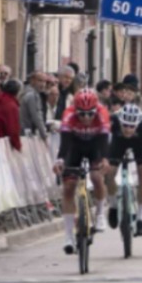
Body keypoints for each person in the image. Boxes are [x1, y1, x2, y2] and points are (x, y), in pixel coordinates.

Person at [54, 88, 110, 255]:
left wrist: (105, 159)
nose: (86, 117)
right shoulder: (68, 114)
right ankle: (68, 236)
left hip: (95, 145)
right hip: (75, 146)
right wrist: (60, 160)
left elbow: (104, 141)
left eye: (90, 114)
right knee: (69, 186)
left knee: (96, 176)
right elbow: (64, 143)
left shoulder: (102, 113)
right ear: (75, 110)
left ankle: (100, 214)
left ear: (96, 109)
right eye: (82, 114)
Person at [106, 103, 142, 237]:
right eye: (125, 125)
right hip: (118, 143)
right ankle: (113, 206)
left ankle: (141, 218)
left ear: (137, 123)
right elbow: (100, 139)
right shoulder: (112, 120)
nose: (128, 129)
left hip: (140, 143)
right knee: (109, 173)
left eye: (131, 126)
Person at [0, 79, 24, 152]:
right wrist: (18, 145)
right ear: (18, 92)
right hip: (0, 141)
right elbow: (13, 128)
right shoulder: (11, 105)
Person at [19, 72, 49, 141]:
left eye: (45, 81)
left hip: (22, 132)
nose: (43, 84)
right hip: (26, 133)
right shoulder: (32, 95)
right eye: (40, 81)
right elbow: (37, 116)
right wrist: (44, 134)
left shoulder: (24, 91)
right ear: (32, 81)